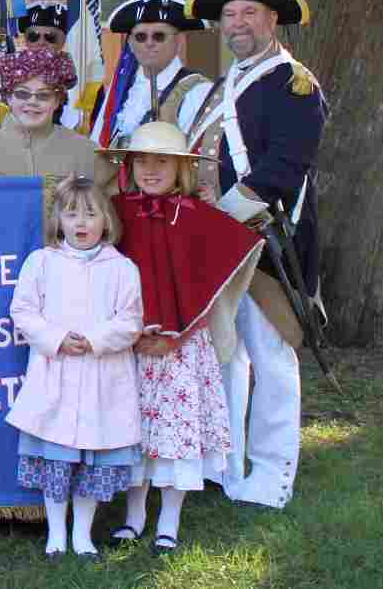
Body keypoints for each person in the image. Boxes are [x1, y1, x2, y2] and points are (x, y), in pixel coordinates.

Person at [184, 0, 327, 509]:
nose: (238, 23)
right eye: (229, 15)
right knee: (226, 353)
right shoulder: (229, 83)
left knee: (270, 355)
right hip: (221, 240)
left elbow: (285, 167)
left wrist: (221, 216)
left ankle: (272, 474)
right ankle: (225, 464)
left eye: (249, 13)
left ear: (273, 21)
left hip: (268, 242)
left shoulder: (294, 83)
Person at [100, 121, 263, 554]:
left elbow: (227, 257)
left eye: (162, 161)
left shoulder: (194, 215)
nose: (151, 169)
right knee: (133, 433)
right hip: (130, 345)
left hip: (182, 348)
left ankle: (168, 521)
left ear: (179, 168)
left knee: (177, 436)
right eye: (142, 160)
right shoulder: (113, 212)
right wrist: (127, 329)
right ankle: (134, 518)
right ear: (129, 166)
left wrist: (180, 332)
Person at [6, 177, 142, 559]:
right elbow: (23, 310)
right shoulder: (43, 262)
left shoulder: (122, 268)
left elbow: (130, 321)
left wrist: (96, 339)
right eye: (72, 214)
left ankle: (82, 534)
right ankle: (56, 534)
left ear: (105, 221)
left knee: (92, 462)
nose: (81, 223)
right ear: (59, 220)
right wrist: (57, 338)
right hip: (57, 373)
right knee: (58, 460)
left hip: (103, 378)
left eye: (90, 214)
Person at [91, 0, 213, 147]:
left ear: (179, 41)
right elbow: (98, 147)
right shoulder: (120, 89)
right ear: (130, 43)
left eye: (159, 36)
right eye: (141, 37)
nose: (149, 43)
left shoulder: (198, 92)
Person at [0, 50, 102, 183]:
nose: (32, 101)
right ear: (8, 98)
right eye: (22, 94)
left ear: (58, 100)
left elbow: (98, 204)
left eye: (43, 95)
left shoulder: (85, 151)